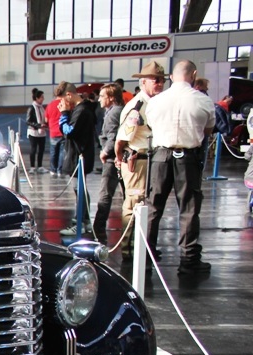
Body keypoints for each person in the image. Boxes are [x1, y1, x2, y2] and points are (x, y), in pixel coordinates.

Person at [145, 59, 216, 275]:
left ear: (172, 76)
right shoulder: (202, 101)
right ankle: (189, 259)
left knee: (153, 207)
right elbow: (208, 130)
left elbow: (150, 125)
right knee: (189, 209)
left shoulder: (156, 101)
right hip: (187, 158)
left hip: (160, 157)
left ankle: (146, 255)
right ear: (193, 74)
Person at [114, 61, 166, 259]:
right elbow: (121, 140)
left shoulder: (154, 103)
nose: (159, 83)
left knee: (147, 205)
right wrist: (120, 159)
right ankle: (129, 250)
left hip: (151, 159)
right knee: (134, 204)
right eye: (155, 80)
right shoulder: (137, 106)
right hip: (138, 161)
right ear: (143, 82)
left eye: (161, 80)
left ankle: (142, 247)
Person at [56, 81, 96, 234]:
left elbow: (69, 131)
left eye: (62, 99)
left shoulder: (81, 111)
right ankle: (84, 221)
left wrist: (64, 114)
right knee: (80, 189)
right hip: (80, 155)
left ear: (68, 95)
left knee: (79, 189)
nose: (61, 103)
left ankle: (79, 222)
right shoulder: (83, 109)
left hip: (79, 156)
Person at [91, 84, 125, 242]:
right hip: (117, 158)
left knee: (105, 195)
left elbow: (113, 136)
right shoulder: (116, 111)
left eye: (102, 96)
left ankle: (98, 230)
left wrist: (105, 152)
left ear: (111, 97)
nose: (99, 99)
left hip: (112, 160)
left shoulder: (113, 114)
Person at [26, 88, 47, 171]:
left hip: (42, 132)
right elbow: (28, 121)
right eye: (41, 97)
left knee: (41, 149)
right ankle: (32, 167)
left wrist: (45, 124)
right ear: (37, 98)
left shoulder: (42, 108)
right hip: (33, 132)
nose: (43, 99)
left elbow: (44, 118)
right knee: (33, 149)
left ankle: (40, 166)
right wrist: (38, 125)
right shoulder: (31, 108)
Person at [46, 93, 64, 175]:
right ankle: (60, 170)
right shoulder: (65, 103)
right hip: (63, 131)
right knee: (62, 152)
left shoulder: (50, 105)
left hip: (53, 132)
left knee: (53, 152)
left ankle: (53, 170)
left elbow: (46, 119)